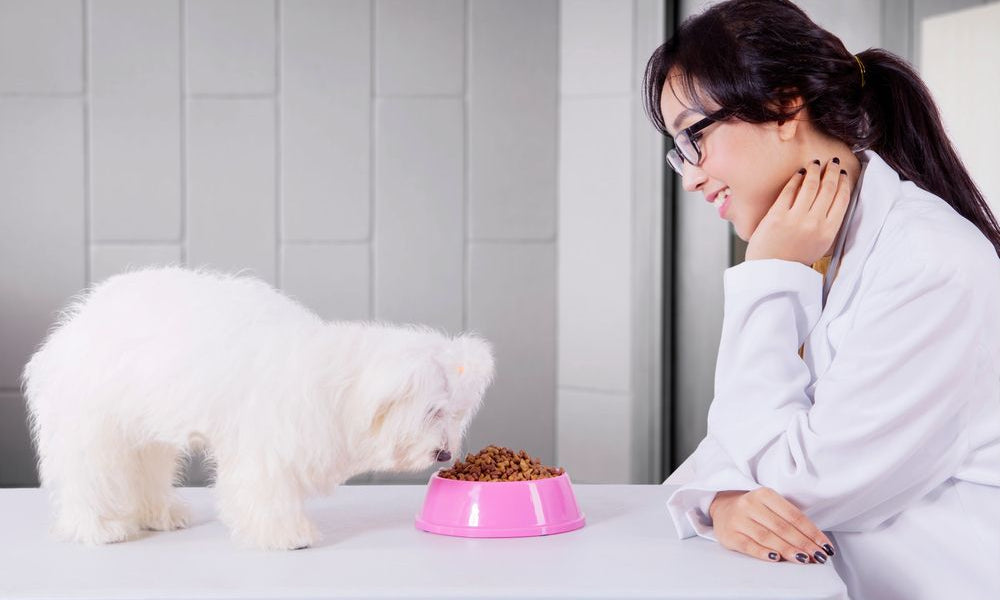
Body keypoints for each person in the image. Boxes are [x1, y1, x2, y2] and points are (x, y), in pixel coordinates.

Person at [642, 1, 1000, 598]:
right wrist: (724, 501)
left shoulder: (929, 262)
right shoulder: (825, 248)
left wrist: (768, 277)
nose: (690, 176)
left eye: (694, 136)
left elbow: (796, 485)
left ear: (783, 105)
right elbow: (725, 445)